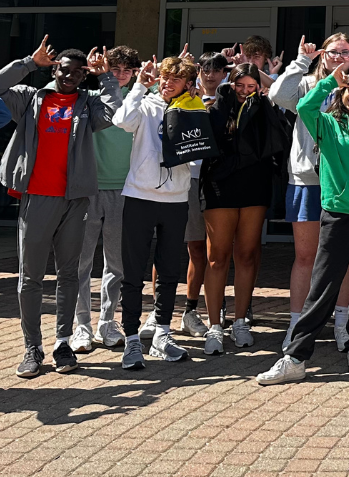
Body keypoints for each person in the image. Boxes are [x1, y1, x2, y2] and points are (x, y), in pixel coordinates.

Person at [257, 51, 349, 384]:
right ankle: (295, 357)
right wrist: (328, 82)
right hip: (339, 216)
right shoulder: (325, 123)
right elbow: (305, 106)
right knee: (323, 286)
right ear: (342, 92)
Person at [0, 38, 123, 378]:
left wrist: (106, 77)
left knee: (69, 274)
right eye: (65, 70)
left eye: (78, 73)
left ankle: (62, 342)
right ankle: (32, 347)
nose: (71, 76)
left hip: (75, 199)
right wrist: (28, 63)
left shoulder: (88, 102)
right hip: (37, 197)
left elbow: (115, 113)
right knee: (31, 277)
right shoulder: (30, 97)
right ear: (55, 70)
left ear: (84, 76)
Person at [113, 55, 199, 370]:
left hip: (176, 199)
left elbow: (200, 154)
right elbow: (122, 121)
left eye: (175, 79)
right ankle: (132, 339)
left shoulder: (193, 108)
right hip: (139, 196)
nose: (167, 83)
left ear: (187, 84)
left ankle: (162, 333)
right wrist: (139, 86)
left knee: (169, 271)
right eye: (164, 77)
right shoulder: (145, 104)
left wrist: (192, 110)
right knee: (133, 271)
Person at [202, 62, 291, 355]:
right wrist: (220, 99)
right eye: (239, 85)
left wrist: (263, 99)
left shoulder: (265, 108)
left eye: (251, 86)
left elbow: (279, 140)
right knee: (217, 257)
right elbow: (209, 141)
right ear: (230, 83)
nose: (244, 91)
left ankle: (240, 321)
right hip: (220, 186)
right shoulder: (217, 107)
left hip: (255, 185)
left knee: (247, 254)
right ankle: (215, 326)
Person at [69, 45, 141, 354]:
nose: (120, 74)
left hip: (124, 189)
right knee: (80, 262)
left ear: (134, 73)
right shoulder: (88, 98)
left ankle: (107, 322)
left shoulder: (141, 99)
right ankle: (82, 325)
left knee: (116, 263)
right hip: (87, 189)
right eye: (115, 69)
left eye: (127, 70)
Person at [179, 51, 230, 339]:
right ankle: (183, 311)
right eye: (205, 69)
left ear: (224, 73)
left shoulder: (230, 98)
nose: (210, 75)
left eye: (216, 70)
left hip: (216, 181)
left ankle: (216, 307)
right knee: (192, 248)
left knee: (216, 252)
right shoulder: (184, 96)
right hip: (186, 179)